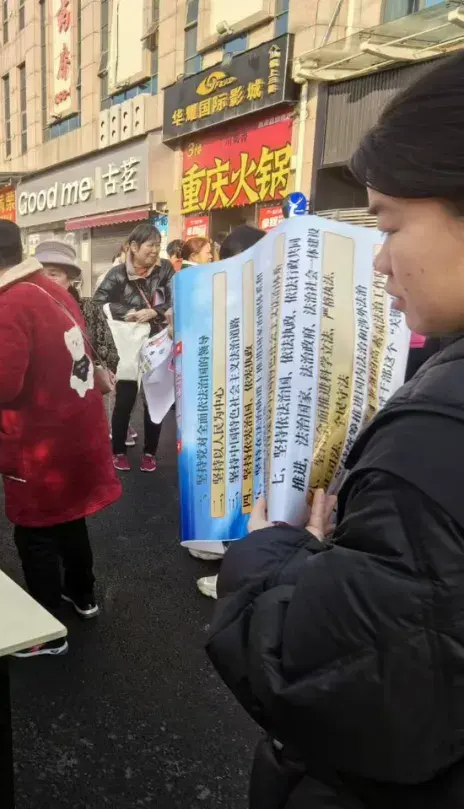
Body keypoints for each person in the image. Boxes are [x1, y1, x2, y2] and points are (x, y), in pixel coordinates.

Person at [207, 53, 464, 808]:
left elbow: (323, 669)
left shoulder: (437, 436)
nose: (380, 262)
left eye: (390, 224)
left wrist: (267, 554)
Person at [0, 220, 122, 657]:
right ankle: (83, 596)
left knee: (36, 533)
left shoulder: (11, 304)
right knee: (71, 518)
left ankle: (45, 630)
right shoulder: (48, 288)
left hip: (40, 445)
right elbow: (39, 331)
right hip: (75, 433)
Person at [189, 226, 266, 595]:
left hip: (253, 417)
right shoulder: (242, 294)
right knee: (234, 485)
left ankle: (237, 577)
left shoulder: (261, 297)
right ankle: (225, 547)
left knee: (249, 491)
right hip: (234, 411)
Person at [93, 223, 174, 473]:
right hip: (129, 345)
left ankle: (150, 452)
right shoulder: (117, 274)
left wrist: (155, 312)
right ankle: (118, 450)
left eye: (158, 245)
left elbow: (176, 297)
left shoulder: (165, 269)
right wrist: (130, 311)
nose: (155, 250)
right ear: (134, 247)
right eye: (151, 245)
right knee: (125, 400)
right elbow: (98, 302)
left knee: (154, 400)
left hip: (158, 343)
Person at [36, 240, 119, 387]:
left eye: (53, 274)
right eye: (40, 275)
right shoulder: (26, 311)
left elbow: (110, 356)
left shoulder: (88, 308)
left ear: (69, 280)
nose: (45, 281)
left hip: (83, 389)